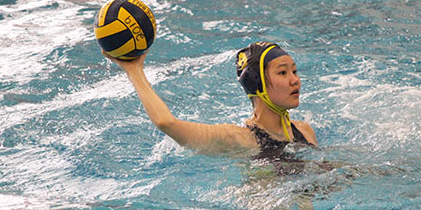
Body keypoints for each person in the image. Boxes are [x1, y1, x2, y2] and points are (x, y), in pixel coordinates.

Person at [102, 41, 317, 156]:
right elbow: (166, 123)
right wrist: (134, 71)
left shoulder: (304, 131)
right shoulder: (239, 139)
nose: (294, 80)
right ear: (257, 84)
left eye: (295, 71)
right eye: (282, 73)